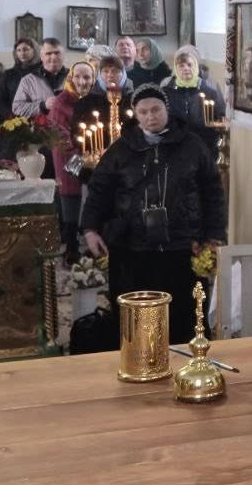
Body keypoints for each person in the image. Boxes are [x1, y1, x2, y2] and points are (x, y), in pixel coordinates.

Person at [81, 85, 226, 345]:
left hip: (182, 245)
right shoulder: (121, 149)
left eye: (156, 109)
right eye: (144, 112)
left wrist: (214, 235)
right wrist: (90, 229)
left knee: (185, 316)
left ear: (166, 110)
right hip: (133, 248)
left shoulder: (193, 145)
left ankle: (187, 361)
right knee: (137, 321)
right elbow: (99, 191)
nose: (151, 116)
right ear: (136, 115)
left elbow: (212, 191)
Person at [49, 62, 96, 264]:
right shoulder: (62, 101)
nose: (82, 81)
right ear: (71, 78)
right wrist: (82, 152)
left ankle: (92, 244)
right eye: (78, 76)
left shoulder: (96, 99)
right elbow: (58, 133)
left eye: (87, 77)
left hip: (93, 156)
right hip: (68, 157)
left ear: (93, 80)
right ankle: (71, 246)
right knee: (70, 198)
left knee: (93, 198)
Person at [161, 45, 224, 157]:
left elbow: (220, 115)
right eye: (181, 65)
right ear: (175, 68)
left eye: (190, 64)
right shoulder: (167, 89)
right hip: (175, 144)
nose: (186, 68)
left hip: (204, 142)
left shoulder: (209, 89)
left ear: (196, 65)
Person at [74, 55, 135, 139]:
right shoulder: (88, 101)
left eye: (115, 71)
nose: (110, 75)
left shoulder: (133, 99)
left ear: (123, 74)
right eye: (106, 71)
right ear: (100, 74)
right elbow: (79, 130)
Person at [13, 38, 68, 118]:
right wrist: (43, 106)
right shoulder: (28, 81)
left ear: (63, 55)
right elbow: (17, 108)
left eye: (57, 53)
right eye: (48, 53)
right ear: (41, 57)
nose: (53, 57)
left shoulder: (74, 76)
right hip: (40, 125)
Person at [0, 37, 38, 120]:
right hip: (14, 120)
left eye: (25, 49)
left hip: (38, 119)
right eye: (19, 50)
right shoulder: (8, 74)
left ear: (34, 51)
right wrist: (11, 116)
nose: (22, 53)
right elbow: (1, 99)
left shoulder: (42, 72)